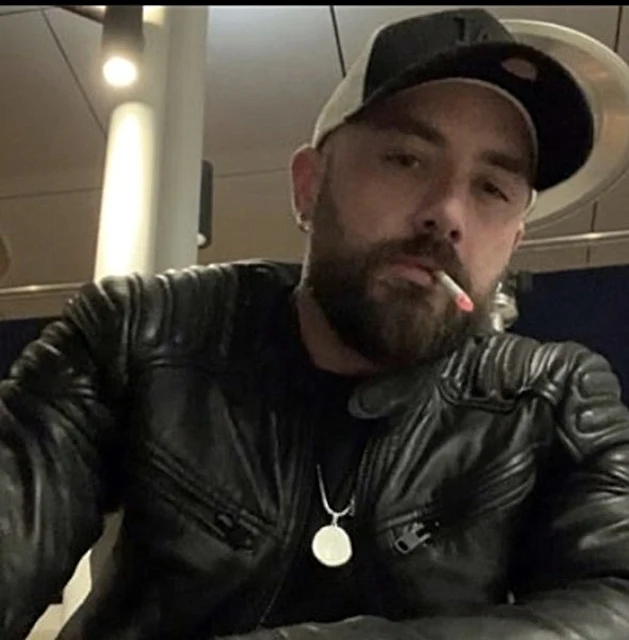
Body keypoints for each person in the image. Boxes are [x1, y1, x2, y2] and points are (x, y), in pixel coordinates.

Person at [3, 7, 629, 640]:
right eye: (405, 159)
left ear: (513, 242)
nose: (447, 212)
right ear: (309, 185)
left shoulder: (551, 398)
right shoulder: (139, 332)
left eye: (492, 188)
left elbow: (616, 601)